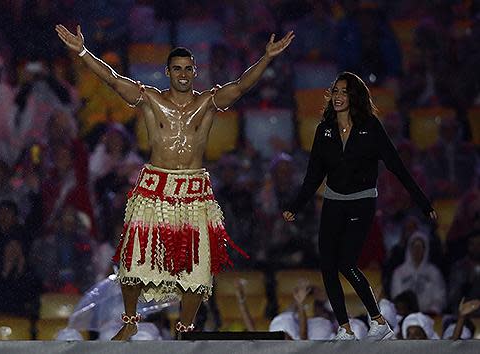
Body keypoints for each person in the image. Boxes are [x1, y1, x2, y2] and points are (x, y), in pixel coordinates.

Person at [56, 23, 294, 340]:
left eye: (187, 69)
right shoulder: (151, 99)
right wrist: (83, 52)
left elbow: (239, 87)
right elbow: (113, 81)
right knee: (134, 259)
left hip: (194, 188)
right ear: (168, 72)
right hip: (155, 185)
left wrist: (266, 58)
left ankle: (184, 328)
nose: (182, 74)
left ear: (194, 72)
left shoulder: (207, 102)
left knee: (197, 267)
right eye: (176, 69)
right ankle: (129, 321)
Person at [283, 72, 437, 341]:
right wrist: (295, 206)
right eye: (335, 91)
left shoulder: (371, 126)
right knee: (327, 265)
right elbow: (313, 175)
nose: (339, 96)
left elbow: (397, 167)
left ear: (354, 96)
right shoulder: (324, 130)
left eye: (344, 91)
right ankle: (344, 328)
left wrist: (423, 203)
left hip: (362, 203)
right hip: (333, 202)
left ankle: (378, 321)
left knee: (346, 262)